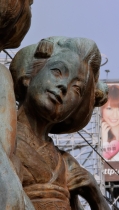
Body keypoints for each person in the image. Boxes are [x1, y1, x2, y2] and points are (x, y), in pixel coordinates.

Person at [10, 36, 110, 210]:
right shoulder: (6, 140)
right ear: (28, 75)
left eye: (77, 89)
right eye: (57, 71)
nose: (64, 86)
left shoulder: (65, 163)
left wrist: (96, 197)